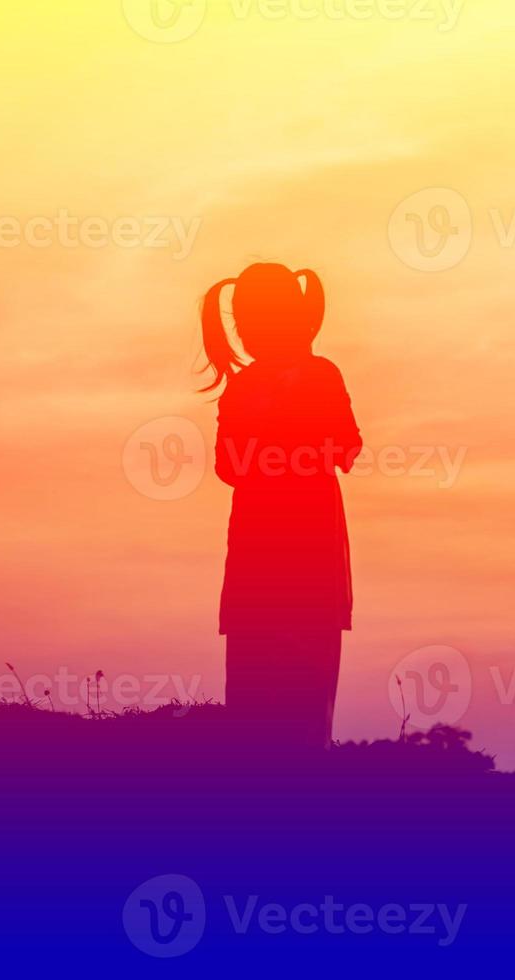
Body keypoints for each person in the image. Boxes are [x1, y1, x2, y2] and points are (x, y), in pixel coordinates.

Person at [199, 262, 361, 751]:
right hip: (281, 554)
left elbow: (343, 446)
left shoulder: (298, 378)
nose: (246, 332)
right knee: (284, 697)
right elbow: (344, 448)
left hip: (281, 553)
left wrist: (275, 449)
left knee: (271, 693)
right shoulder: (262, 384)